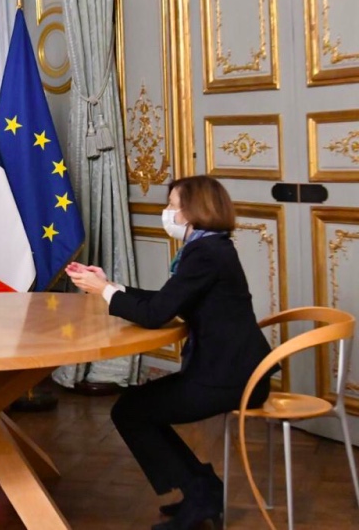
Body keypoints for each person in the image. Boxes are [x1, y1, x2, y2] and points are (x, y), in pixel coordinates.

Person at [66, 176, 273, 530]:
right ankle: (201, 488)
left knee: (131, 412)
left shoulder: (206, 252)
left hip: (230, 379)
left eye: (174, 206)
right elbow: (167, 300)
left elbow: (154, 314)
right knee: (136, 410)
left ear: (195, 210)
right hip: (227, 370)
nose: (168, 213)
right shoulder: (211, 247)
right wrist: (112, 285)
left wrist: (103, 292)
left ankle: (201, 492)